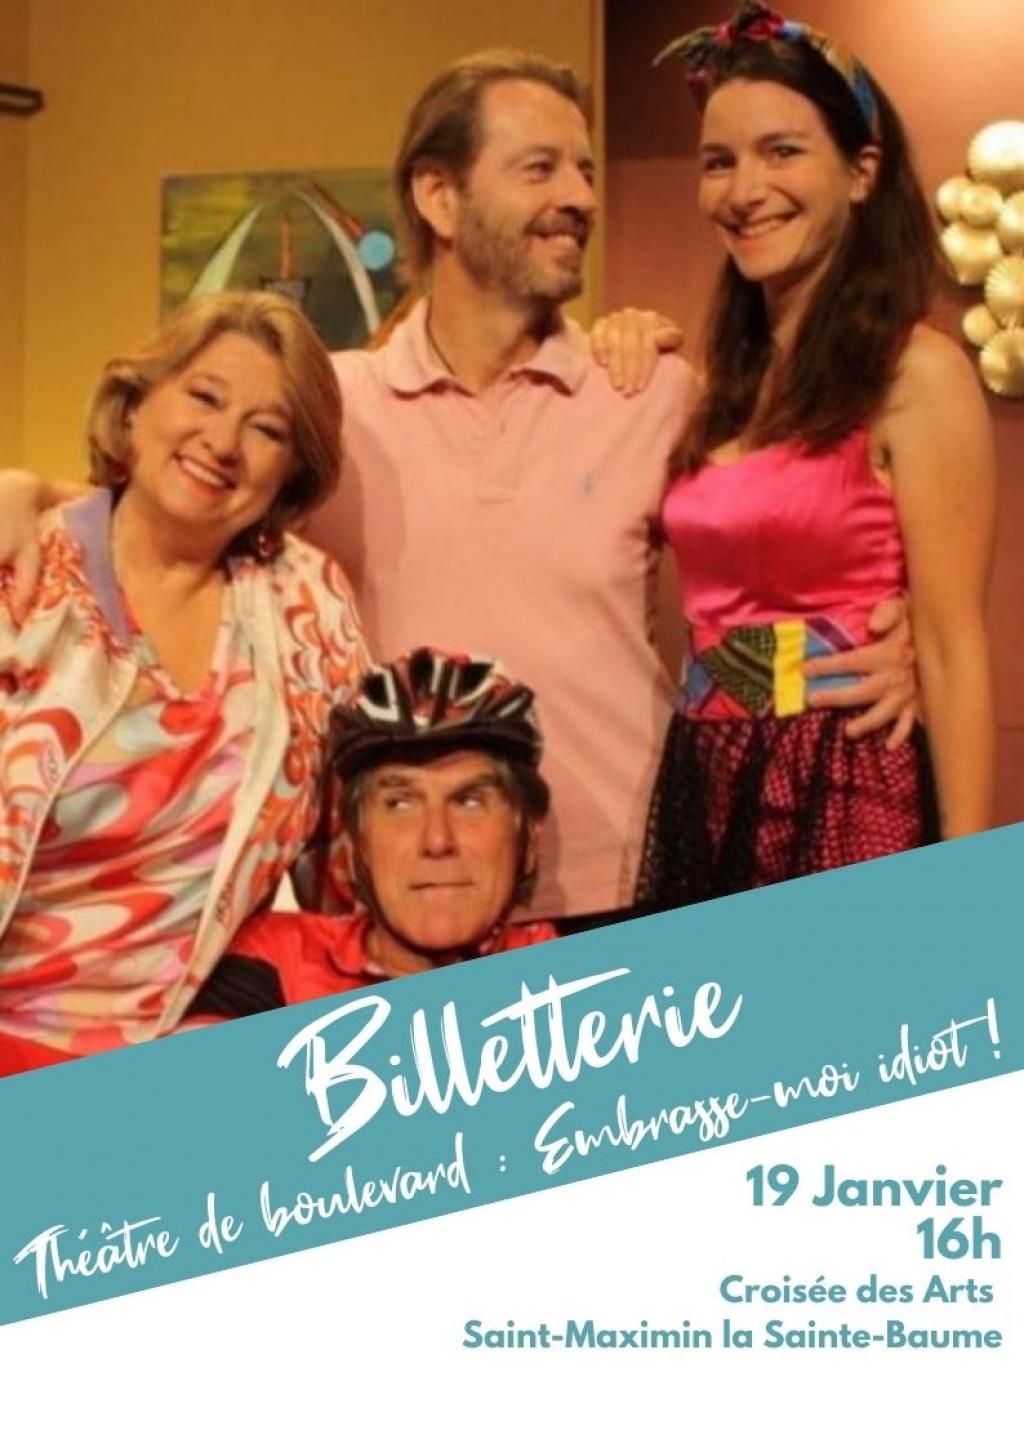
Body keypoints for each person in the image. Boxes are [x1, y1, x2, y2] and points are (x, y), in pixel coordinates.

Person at [0, 49, 916, 933]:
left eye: (585, 170)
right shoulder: (333, 405)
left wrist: (879, 636)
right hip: (401, 905)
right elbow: (183, 509)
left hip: (631, 891)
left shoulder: (655, 391)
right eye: (540, 169)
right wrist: (32, 496)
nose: (580, 198)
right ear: (438, 196)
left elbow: (768, 550)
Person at [634, 3, 995, 910]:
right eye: (719, 162)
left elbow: (952, 646)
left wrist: (971, 899)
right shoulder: (719, 383)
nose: (744, 190)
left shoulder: (914, 373)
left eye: (782, 152)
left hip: (847, 785)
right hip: (708, 777)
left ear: (862, 172)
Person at [0, 292, 369, 1074]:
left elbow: (346, 866)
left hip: (186, 1061)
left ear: (291, 473)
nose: (224, 443)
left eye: (267, 429)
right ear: (134, 407)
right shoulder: (22, 569)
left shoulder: (309, 603)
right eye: (204, 397)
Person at [188, 648, 555, 1013]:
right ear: (354, 847)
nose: (437, 839)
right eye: (400, 804)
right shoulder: (272, 963)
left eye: (470, 802)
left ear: (529, 842)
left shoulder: (569, 978)